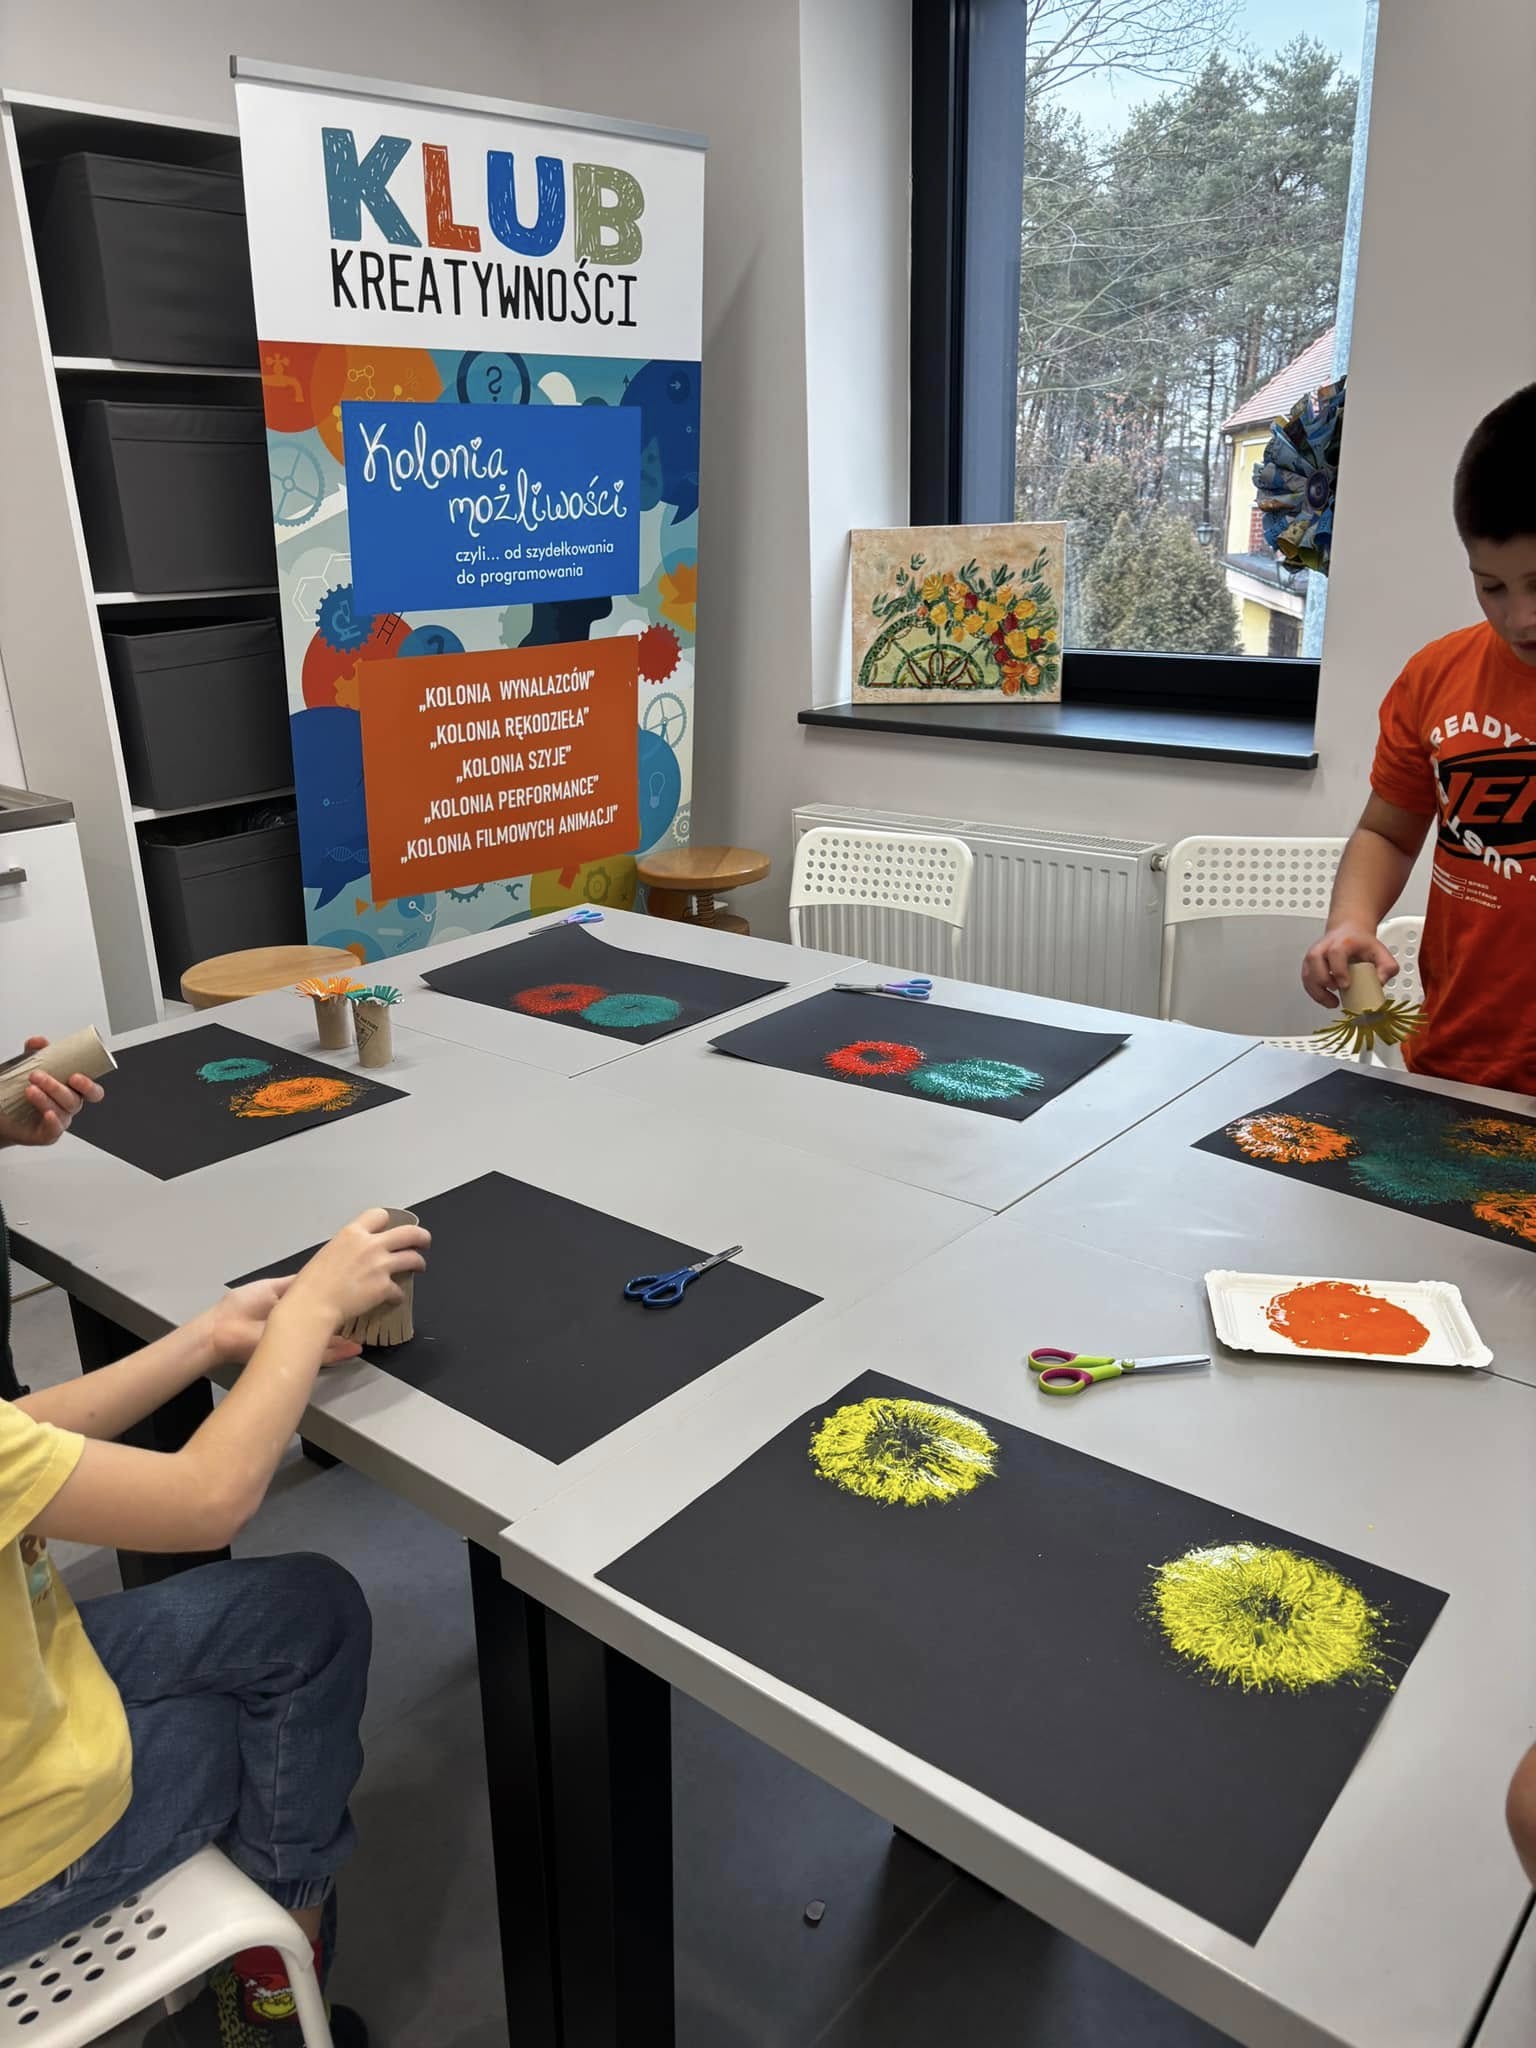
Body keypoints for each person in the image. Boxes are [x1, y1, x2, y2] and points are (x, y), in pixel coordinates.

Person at [0, 1037, 429, 2044]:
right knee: (267, 1742)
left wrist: (203, 1338)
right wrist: (312, 1304)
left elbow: (20, 1437)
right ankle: (270, 2004)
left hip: (28, 1676)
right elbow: (208, 1499)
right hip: (22, 1850)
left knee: (306, 1611)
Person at [1302, 382, 1536, 1096]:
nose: (1520, 619)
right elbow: (1388, 832)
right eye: (1492, 587)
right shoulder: (1438, 676)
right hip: (1456, 1066)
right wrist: (1350, 921)